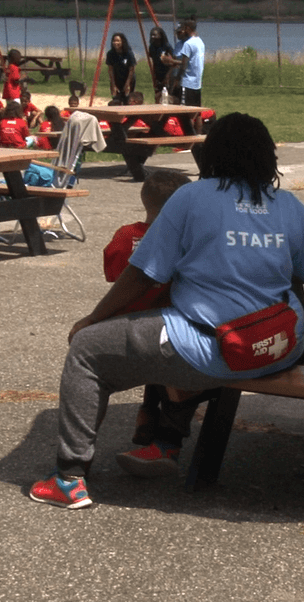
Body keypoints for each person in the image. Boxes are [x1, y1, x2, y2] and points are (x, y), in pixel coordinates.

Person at [28, 113, 304, 509]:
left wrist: (93, 318)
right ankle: (164, 439)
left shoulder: (191, 198)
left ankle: (70, 478)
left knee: (88, 351)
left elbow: (144, 273)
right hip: (278, 346)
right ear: (268, 158)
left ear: (209, 154)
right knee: (175, 335)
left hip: (210, 350)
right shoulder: (289, 206)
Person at [101, 170, 194, 446]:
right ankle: (168, 434)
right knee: (175, 367)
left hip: (125, 321)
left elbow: (112, 273)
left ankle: (146, 415)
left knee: (155, 367)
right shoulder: (184, 241)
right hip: (167, 324)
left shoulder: (125, 234)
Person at [171, 19, 205, 107]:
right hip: (197, 83)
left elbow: (184, 65)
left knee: (185, 109)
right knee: (196, 109)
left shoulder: (188, 44)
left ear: (188, 28)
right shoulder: (200, 42)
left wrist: (177, 79)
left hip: (187, 82)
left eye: (185, 28)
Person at [147, 26, 176, 102]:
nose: (153, 36)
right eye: (152, 35)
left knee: (167, 94)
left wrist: (168, 75)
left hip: (167, 72)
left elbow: (174, 61)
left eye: (155, 35)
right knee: (158, 94)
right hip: (158, 73)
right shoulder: (152, 47)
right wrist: (154, 74)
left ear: (160, 35)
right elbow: (153, 60)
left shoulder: (166, 46)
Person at [106, 32, 137, 102]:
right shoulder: (110, 54)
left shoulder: (128, 53)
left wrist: (127, 84)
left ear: (122, 42)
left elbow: (132, 69)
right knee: (116, 100)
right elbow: (110, 70)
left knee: (128, 100)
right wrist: (113, 85)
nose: (115, 43)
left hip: (128, 79)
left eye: (118, 41)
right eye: (114, 41)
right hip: (117, 79)